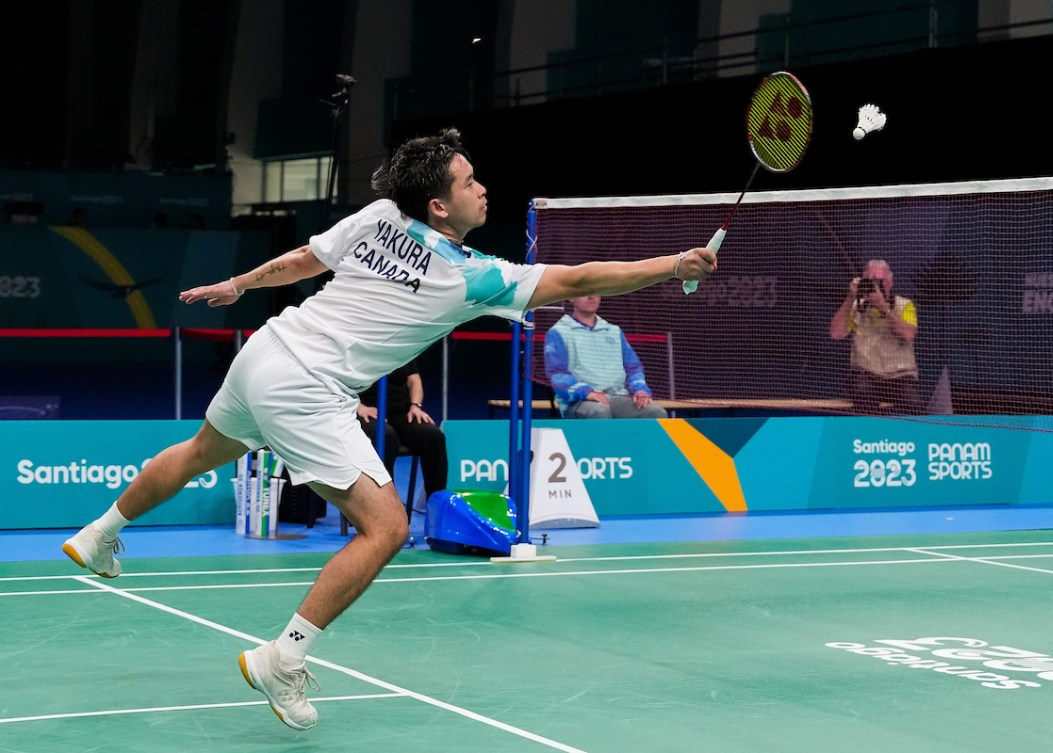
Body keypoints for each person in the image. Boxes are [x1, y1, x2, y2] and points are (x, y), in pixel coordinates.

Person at [60, 127, 716, 731]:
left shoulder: (378, 219)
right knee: (389, 526)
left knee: (202, 450)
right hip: (310, 388)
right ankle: (281, 659)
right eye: (467, 181)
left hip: (266, 350)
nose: (482, 187)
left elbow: (302, 261)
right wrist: (671, 265)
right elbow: (576, 279)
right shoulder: (475, 276)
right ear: (436, 204)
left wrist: (239, 284)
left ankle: (99, 533)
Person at [543, 295, 667, 418]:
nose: (591, 297)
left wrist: (640, 389)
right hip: (579, 401)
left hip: (617, 397)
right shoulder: (558, 332)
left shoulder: (614, 331)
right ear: (571, 298)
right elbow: (557, 374)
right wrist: (587, 393)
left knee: (655, 412)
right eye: (585, 292)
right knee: (600, 411)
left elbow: (633, 368)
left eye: (596, 292)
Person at [828, 258, 923, 415]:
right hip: (865, 374)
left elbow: (908, 334)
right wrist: (850, 297)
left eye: (880, 281)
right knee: (864, 395)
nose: (876, 286)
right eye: (871, 281)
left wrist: (883, 307)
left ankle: (909, 438)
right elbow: (836, 334)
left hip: (899, 376)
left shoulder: (905, 305)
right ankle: (868, 437)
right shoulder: (855, 306)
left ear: (890, 283)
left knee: (915, 405)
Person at [356, 358, 447, 504]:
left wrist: (415, 405)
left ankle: (436, 506)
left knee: (433, 436)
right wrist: (359, 407)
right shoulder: (358, 346)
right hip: (366, 411)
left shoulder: (399, 346)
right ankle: (385, 505)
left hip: (400, 411)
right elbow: (340, 385)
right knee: (385, 436)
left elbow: (414, 381)